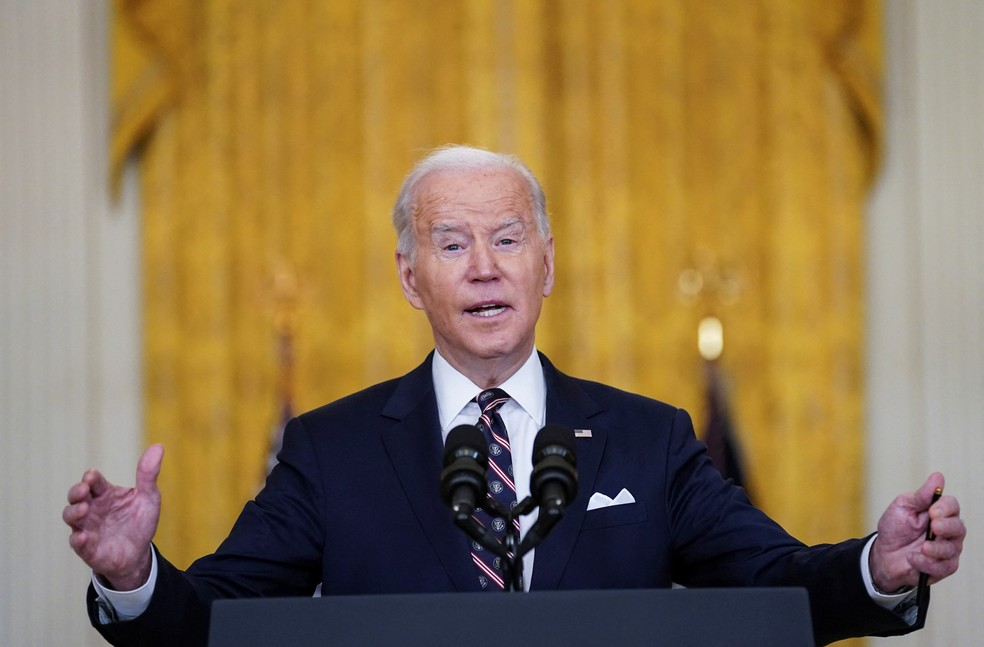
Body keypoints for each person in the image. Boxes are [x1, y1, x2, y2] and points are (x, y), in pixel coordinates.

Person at [64, 145, 965, 646]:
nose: (486, 267)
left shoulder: (647, 440)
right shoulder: (330, 452)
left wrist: (873, 571)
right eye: (452, 244)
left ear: (547, 263)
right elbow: (216, 619)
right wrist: (133, 574)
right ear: (410, 277)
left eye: (508, 238)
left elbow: (773, 584)